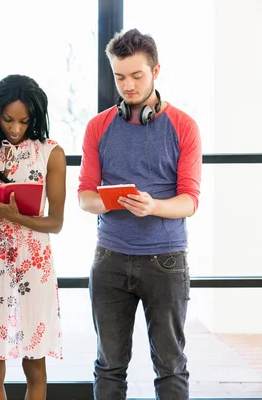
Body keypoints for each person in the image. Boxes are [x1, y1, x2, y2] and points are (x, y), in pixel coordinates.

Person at [78, 29, 202, 400]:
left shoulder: (184, 126)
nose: (128, 86)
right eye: (119, 77)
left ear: (156, 71)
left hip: (165, 261)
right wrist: (110, 200)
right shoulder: (98, 127)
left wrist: (155, 207)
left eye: (137, 76)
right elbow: (85, 196)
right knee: (109, 367)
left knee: (170, 367)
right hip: (110, 260)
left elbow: (190, 201)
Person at [0, 74, 67, 400]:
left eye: (24, 121)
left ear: (35, 118)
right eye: (8, 119)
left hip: (34, 269)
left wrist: (14, 215)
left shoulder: (50, 153)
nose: (15, 128)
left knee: (34, 364)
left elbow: (55, 223)